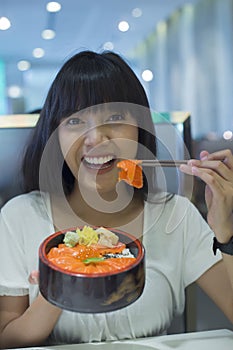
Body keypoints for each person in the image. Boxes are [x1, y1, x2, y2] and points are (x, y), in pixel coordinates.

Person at [0, 50, 232, 348]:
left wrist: (225, 229)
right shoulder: (19, 217)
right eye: (75, 120)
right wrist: (62, 282)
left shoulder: (177, 216)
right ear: (54, 135)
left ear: (139, 128)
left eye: (115, 117)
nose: (96, 137)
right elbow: (7, 338)